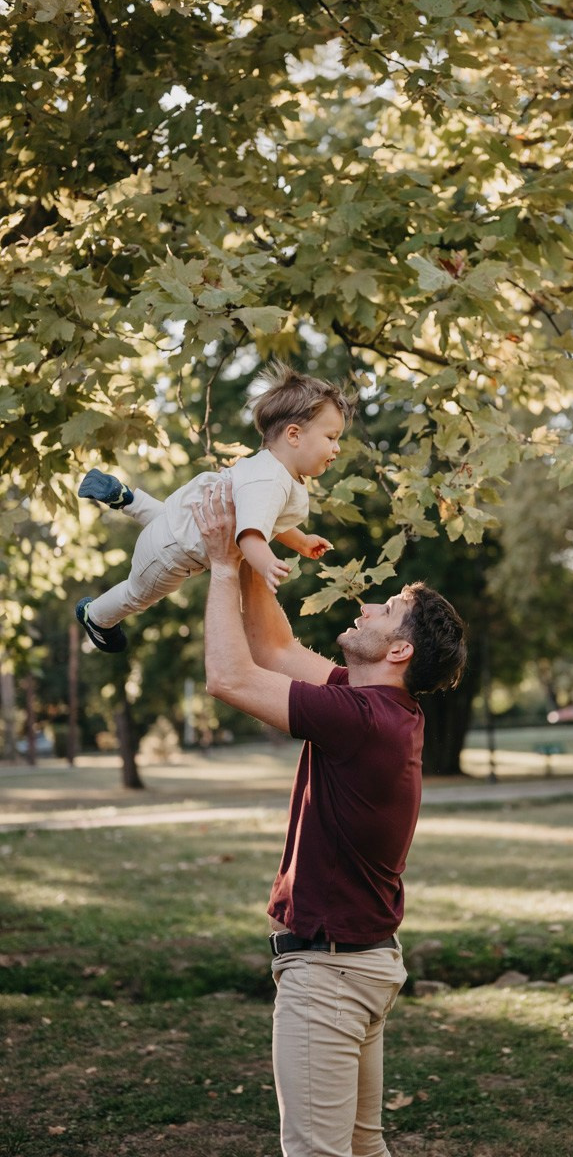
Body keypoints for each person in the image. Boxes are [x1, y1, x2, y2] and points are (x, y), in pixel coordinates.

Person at [191, 480, 467, 1157]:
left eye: (387, 610)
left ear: (398, 651)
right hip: (359, 967)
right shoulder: (379, 708)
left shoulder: (362, 719)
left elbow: (230, 677)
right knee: (363, 1149)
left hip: (330, 978)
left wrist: (222, 567)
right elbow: (274, 648)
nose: (367, 606)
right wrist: (250, 543)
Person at [74, 364, 355, 653]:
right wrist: (267, 563)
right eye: (331, 437)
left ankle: (127, 499)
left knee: (173, 526)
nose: (337, 448)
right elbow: (251, 535)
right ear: (293, 435)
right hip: (171, 554)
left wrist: (302, 542)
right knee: (136, 595)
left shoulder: (266, 469)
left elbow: (265, 520)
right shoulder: (271, 482)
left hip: (176, 523)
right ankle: (96, 617)